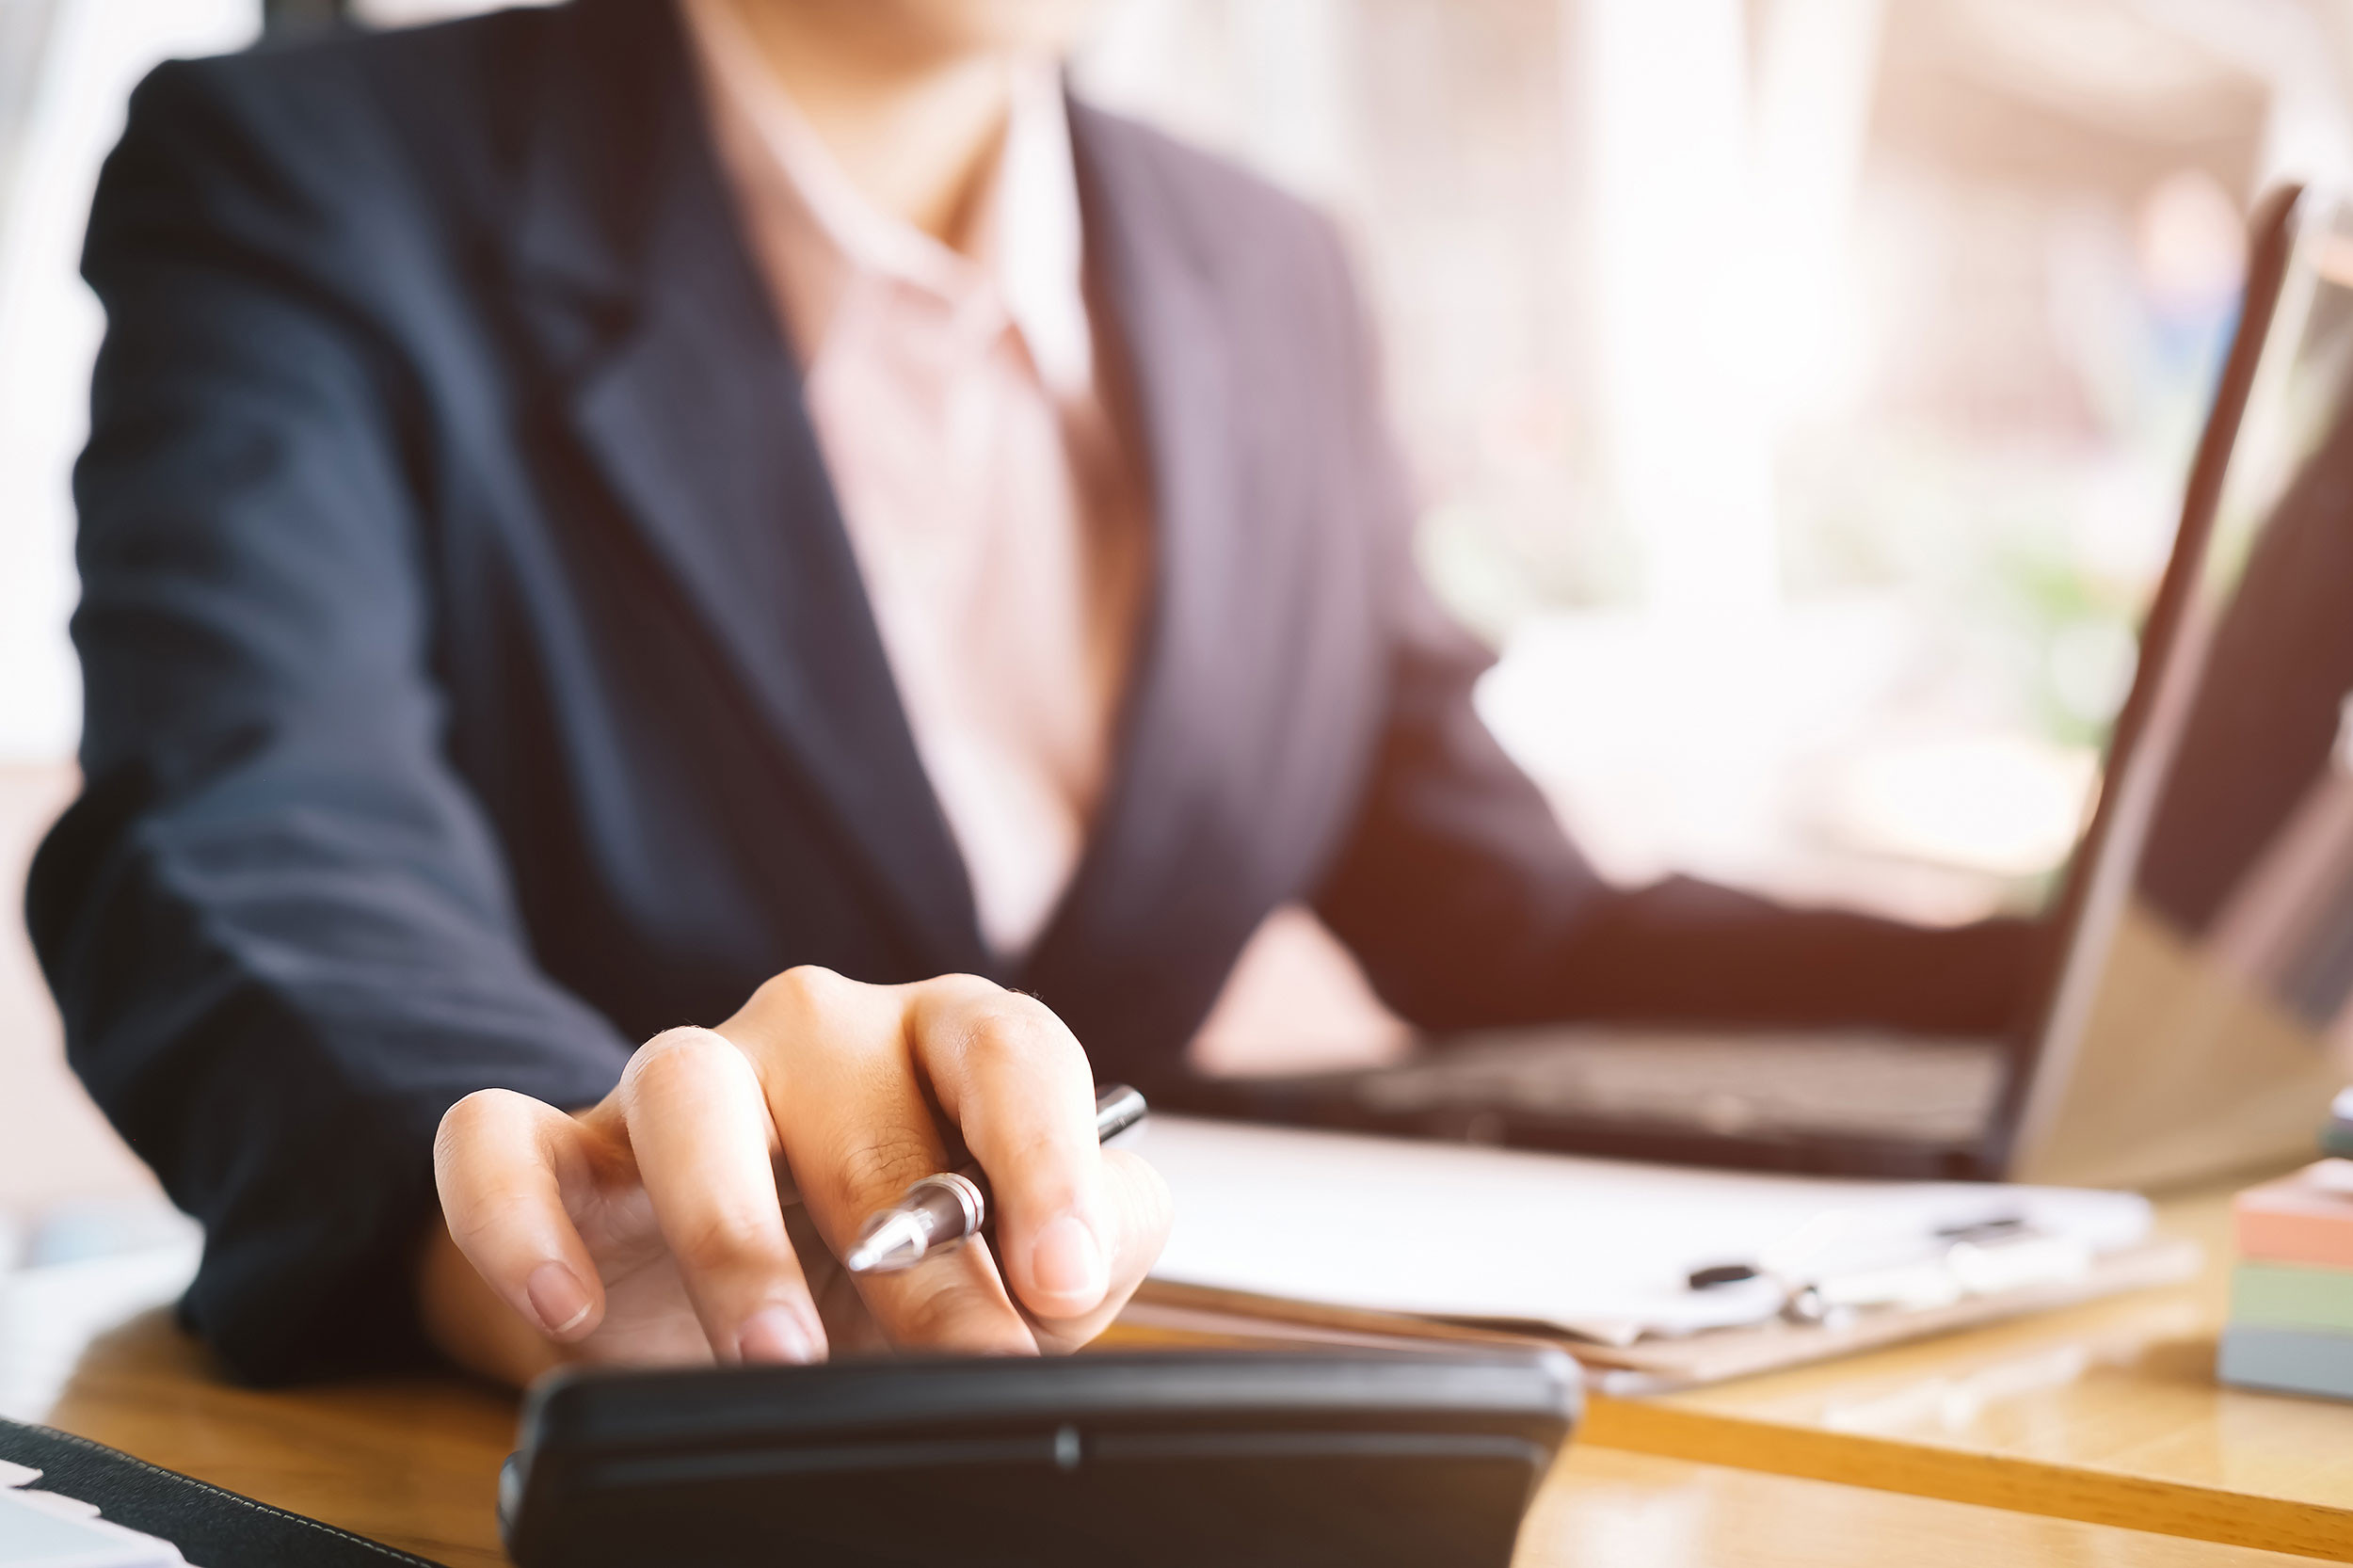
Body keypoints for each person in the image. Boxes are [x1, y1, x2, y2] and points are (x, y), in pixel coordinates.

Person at [27, 0, 2032, 1388]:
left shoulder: (1270, 272)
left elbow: (1501, 908)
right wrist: (573, 1214)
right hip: (569, 1473)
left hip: (1145, 1420)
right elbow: (262, 820)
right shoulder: (304, 180)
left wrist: (2081, 971)